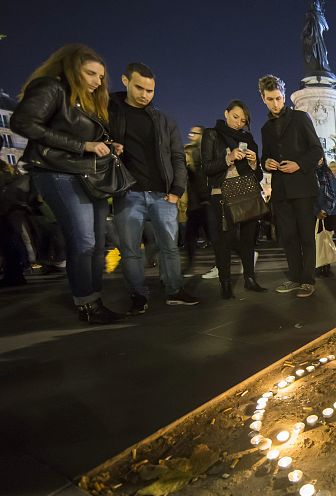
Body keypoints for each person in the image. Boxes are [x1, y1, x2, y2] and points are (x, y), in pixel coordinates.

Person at [10, 44, 124, 323]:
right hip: (57, 172)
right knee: (83, 241)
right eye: (91, 73)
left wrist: (106, 146)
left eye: (101, 75)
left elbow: (78, 134)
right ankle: (86, 303)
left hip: (87, 174)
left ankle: (94, 298)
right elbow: (22, 122)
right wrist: (83, 145)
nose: (98, 81)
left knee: (98, 243)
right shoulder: (51, 87)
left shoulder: (85, 100)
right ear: (72, 70)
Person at [109, 62, 198, 313]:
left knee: (170, 246)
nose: (145, 95)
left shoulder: (164, 120)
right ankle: (138, 295)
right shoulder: (111, 114)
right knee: (130, 251)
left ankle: (174, 290)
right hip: (128, 193)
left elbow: (177, 157)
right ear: (125, 81)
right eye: (139, 88)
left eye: (150, 90)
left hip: (163, 194)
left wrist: (177, 189)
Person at [259, 74, 324, 297]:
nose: (275, 103)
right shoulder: (266, 128)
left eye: (278, 98)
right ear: (263, 98)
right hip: (280, 191)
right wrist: (265, 163)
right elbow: (265, 157)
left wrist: (298, 165)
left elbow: (317, 150)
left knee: (306, 235)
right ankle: (295, 278)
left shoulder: (300, 117)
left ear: (284, 96)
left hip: (303, 188)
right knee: (288, 237)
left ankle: (308, 280)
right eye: (270, 99)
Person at [201, 100, 265, 299]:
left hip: (246, 192)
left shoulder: (248, 139)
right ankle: (226, 283)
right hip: (221, 194)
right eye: (235, 117)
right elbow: (207, 168)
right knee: (223, 241)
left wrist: (254, 164)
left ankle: (250, 279)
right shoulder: (212, 134)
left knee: (248, 239)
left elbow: (259, 176)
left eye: (243, 120)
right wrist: (228, 159)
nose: (239, 123)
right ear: (226, 113)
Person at [182, 125, 210, 276]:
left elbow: (200, 177)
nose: (191, 135)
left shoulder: (200, 153)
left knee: (212, 236)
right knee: (191, 236)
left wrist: (205, 198)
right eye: (190, 132)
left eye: (195, 133)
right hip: (195, 202)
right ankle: (189, 265)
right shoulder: (190, 150)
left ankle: (245, 255)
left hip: (203, 202)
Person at [315, 157, 336, 277]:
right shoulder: (310, 172)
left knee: (326, 239)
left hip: (327, 212)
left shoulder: (327, 173)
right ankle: (319, 265)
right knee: (317, 240)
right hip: (314, 211)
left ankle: (326, 266)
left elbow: (334, 193)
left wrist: (325, 209)